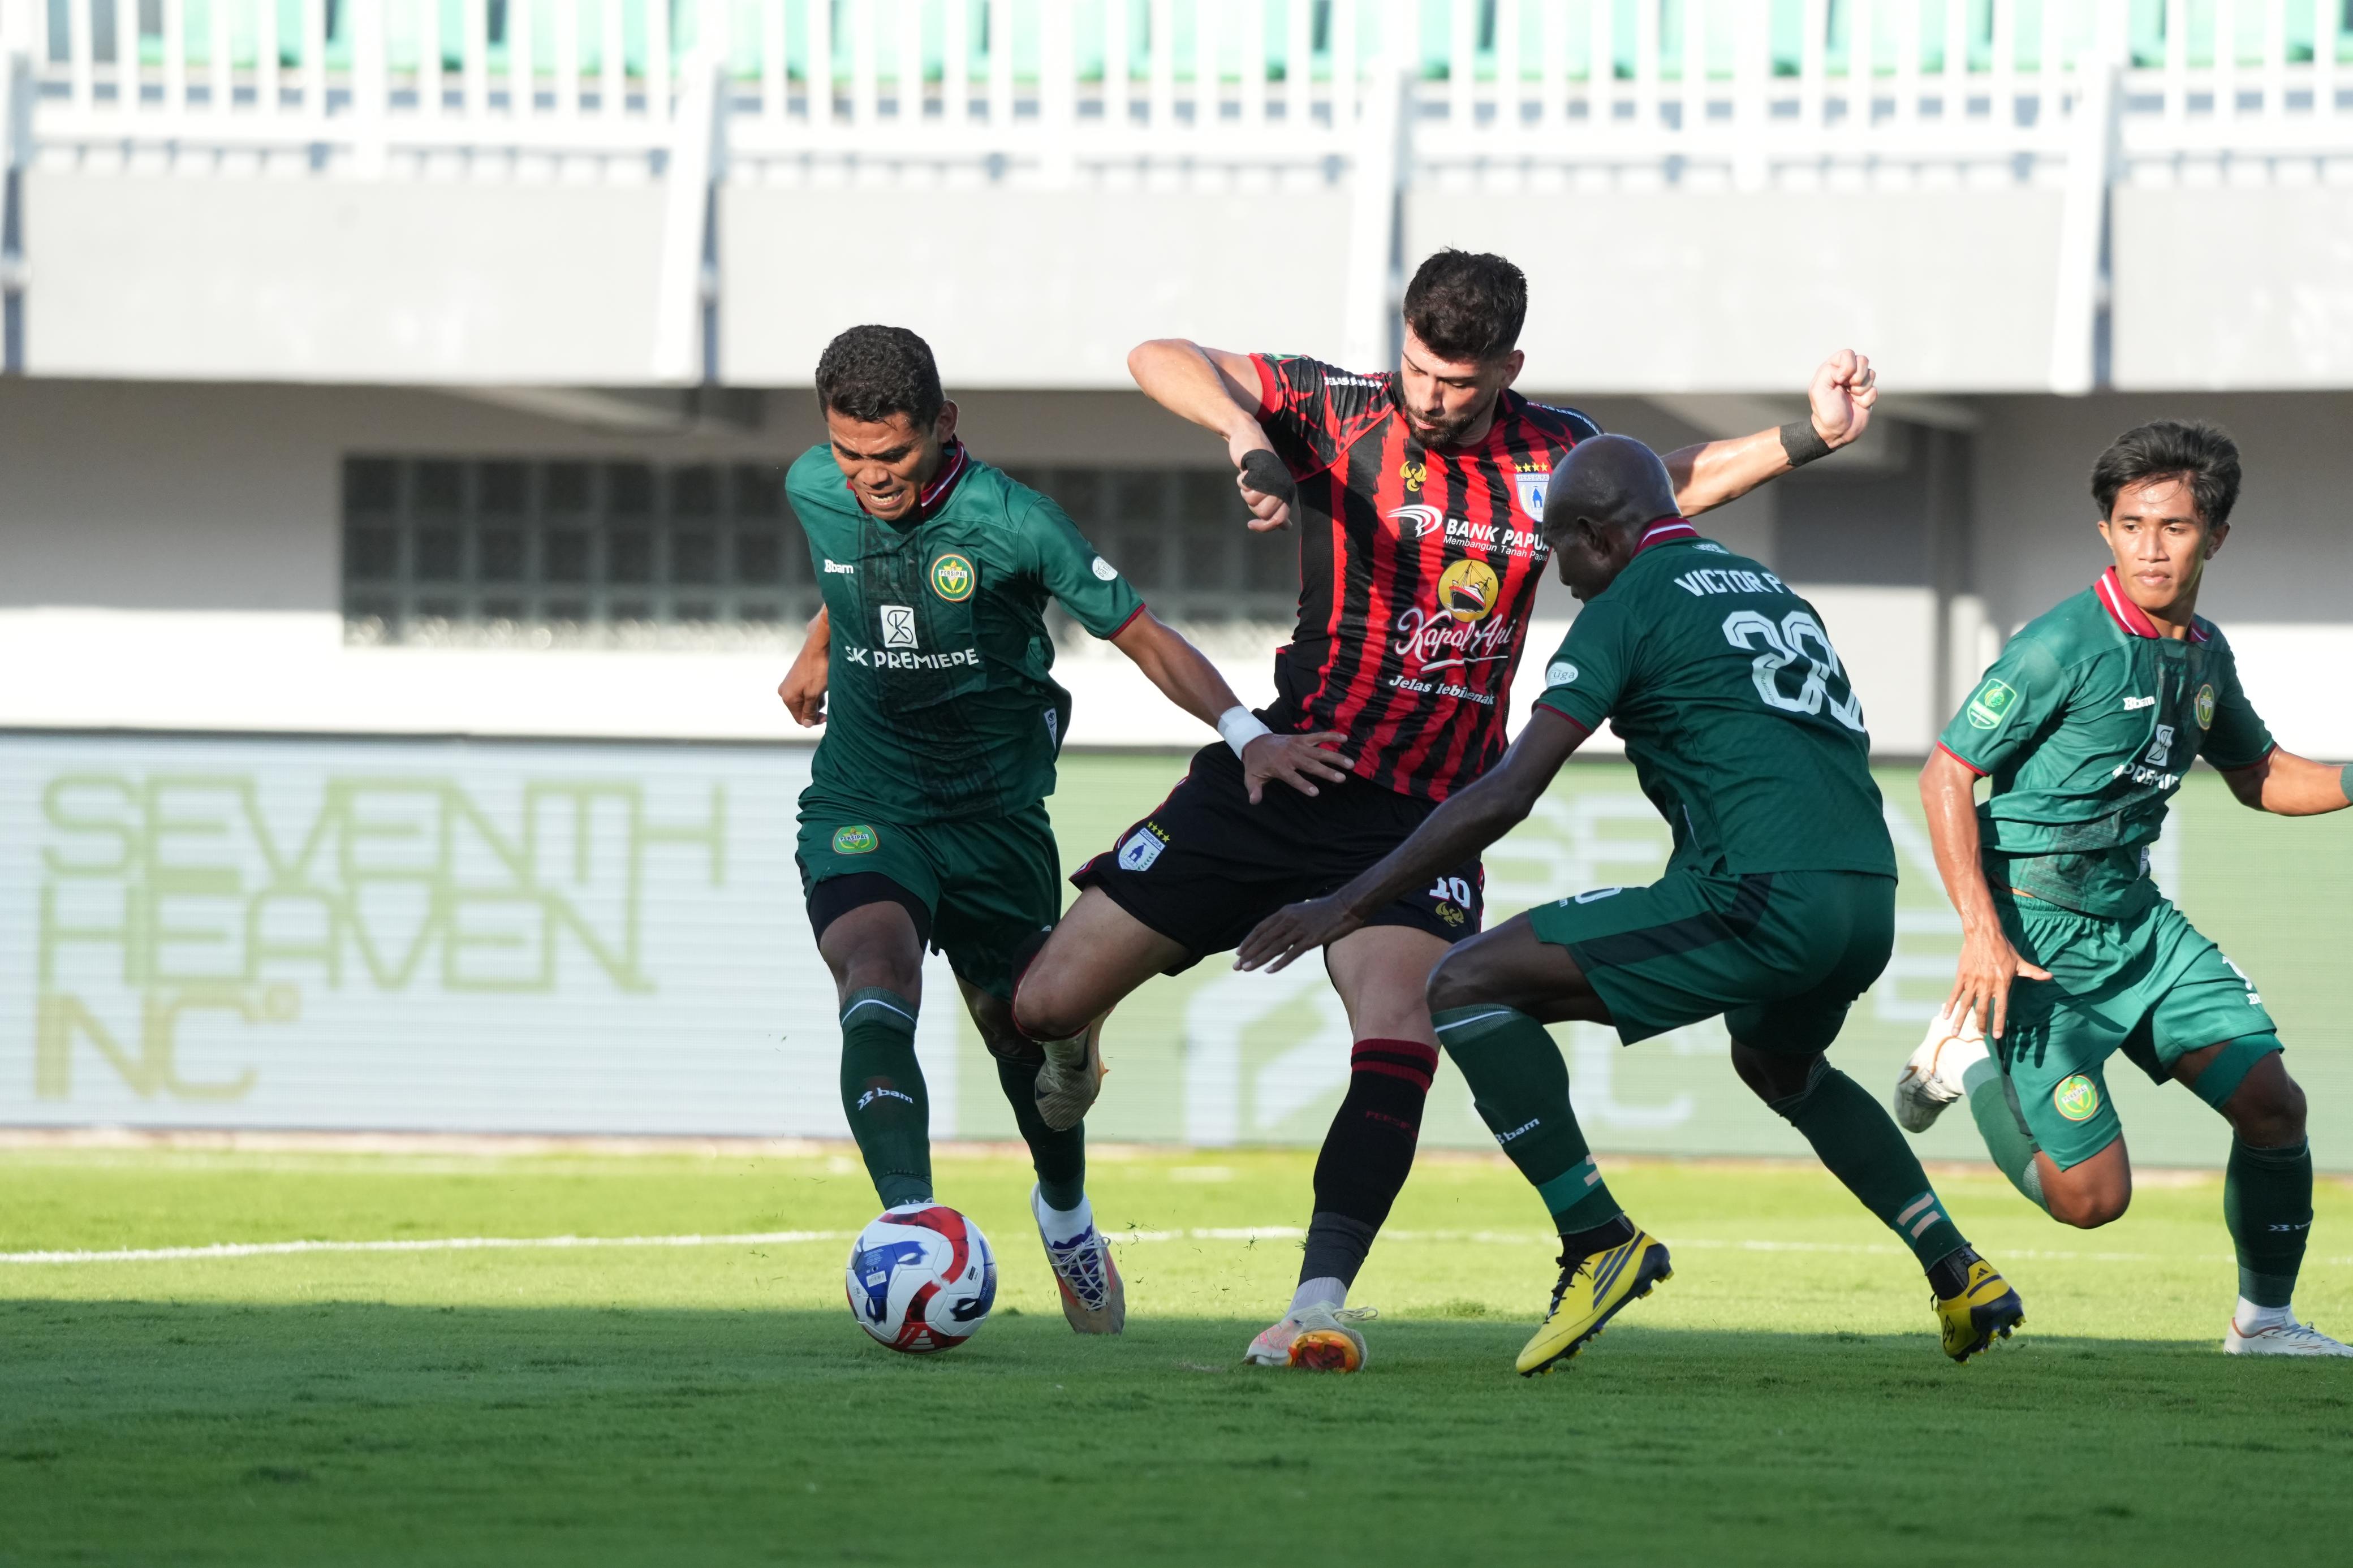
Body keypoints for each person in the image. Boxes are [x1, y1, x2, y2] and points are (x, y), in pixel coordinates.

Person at [1011, 248, 1888, 1371]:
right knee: (1040, 1004)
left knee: (1402, 1026)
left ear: (1508, 367)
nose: (1432, 397)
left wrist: (1807, 435)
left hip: (1418, 814)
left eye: (1459, 382)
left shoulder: (1553, 453)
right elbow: (1158, 356)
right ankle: (1078, 1051)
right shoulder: (1336, 411)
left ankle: (1315, 1303)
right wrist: (1246, 441)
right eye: (1420, 370)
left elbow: (1670, 481)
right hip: (1280, 771)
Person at [1235, 434, 2028, 1376]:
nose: (1555, 572)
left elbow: (1507, 791)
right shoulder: (1770, 589)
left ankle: (1595, 1237)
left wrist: (1350, 901)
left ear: (1601, 538)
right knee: (1781, 1064)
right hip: (1868, 898)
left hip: (1759, 893)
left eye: (1559, 546)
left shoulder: (1630, 601)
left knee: (1467, 982)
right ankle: (1957, 1267)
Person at [777, 325, 1340, 1336]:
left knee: (1022, 1035)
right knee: (874, 971)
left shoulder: (1016, 523)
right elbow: (846, 562)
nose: (870, 478)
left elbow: (1143, 635)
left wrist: (1247, 733)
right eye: (852, 455)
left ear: (943, 426)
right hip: (865, 801)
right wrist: (821, 644)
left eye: (893, 455)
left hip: (994, 819)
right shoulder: (813, 484)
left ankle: (1068, 1216)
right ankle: (913, 1224)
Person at [1894, 420, 2352, 1357]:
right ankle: (1963, 1058)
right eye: (2131, 524)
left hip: (2137, 927)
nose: (2151, 545)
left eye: (2174, 527)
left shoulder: (2205, 652)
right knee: (2092, 1202)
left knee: (2274, 1105)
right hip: (2035, 943)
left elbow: (2259, 771)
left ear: (2213, 538)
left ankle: (2262, 1324)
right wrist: (1983, 933)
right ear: (2106, 530)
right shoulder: (2063, 643)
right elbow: (1945, 773)